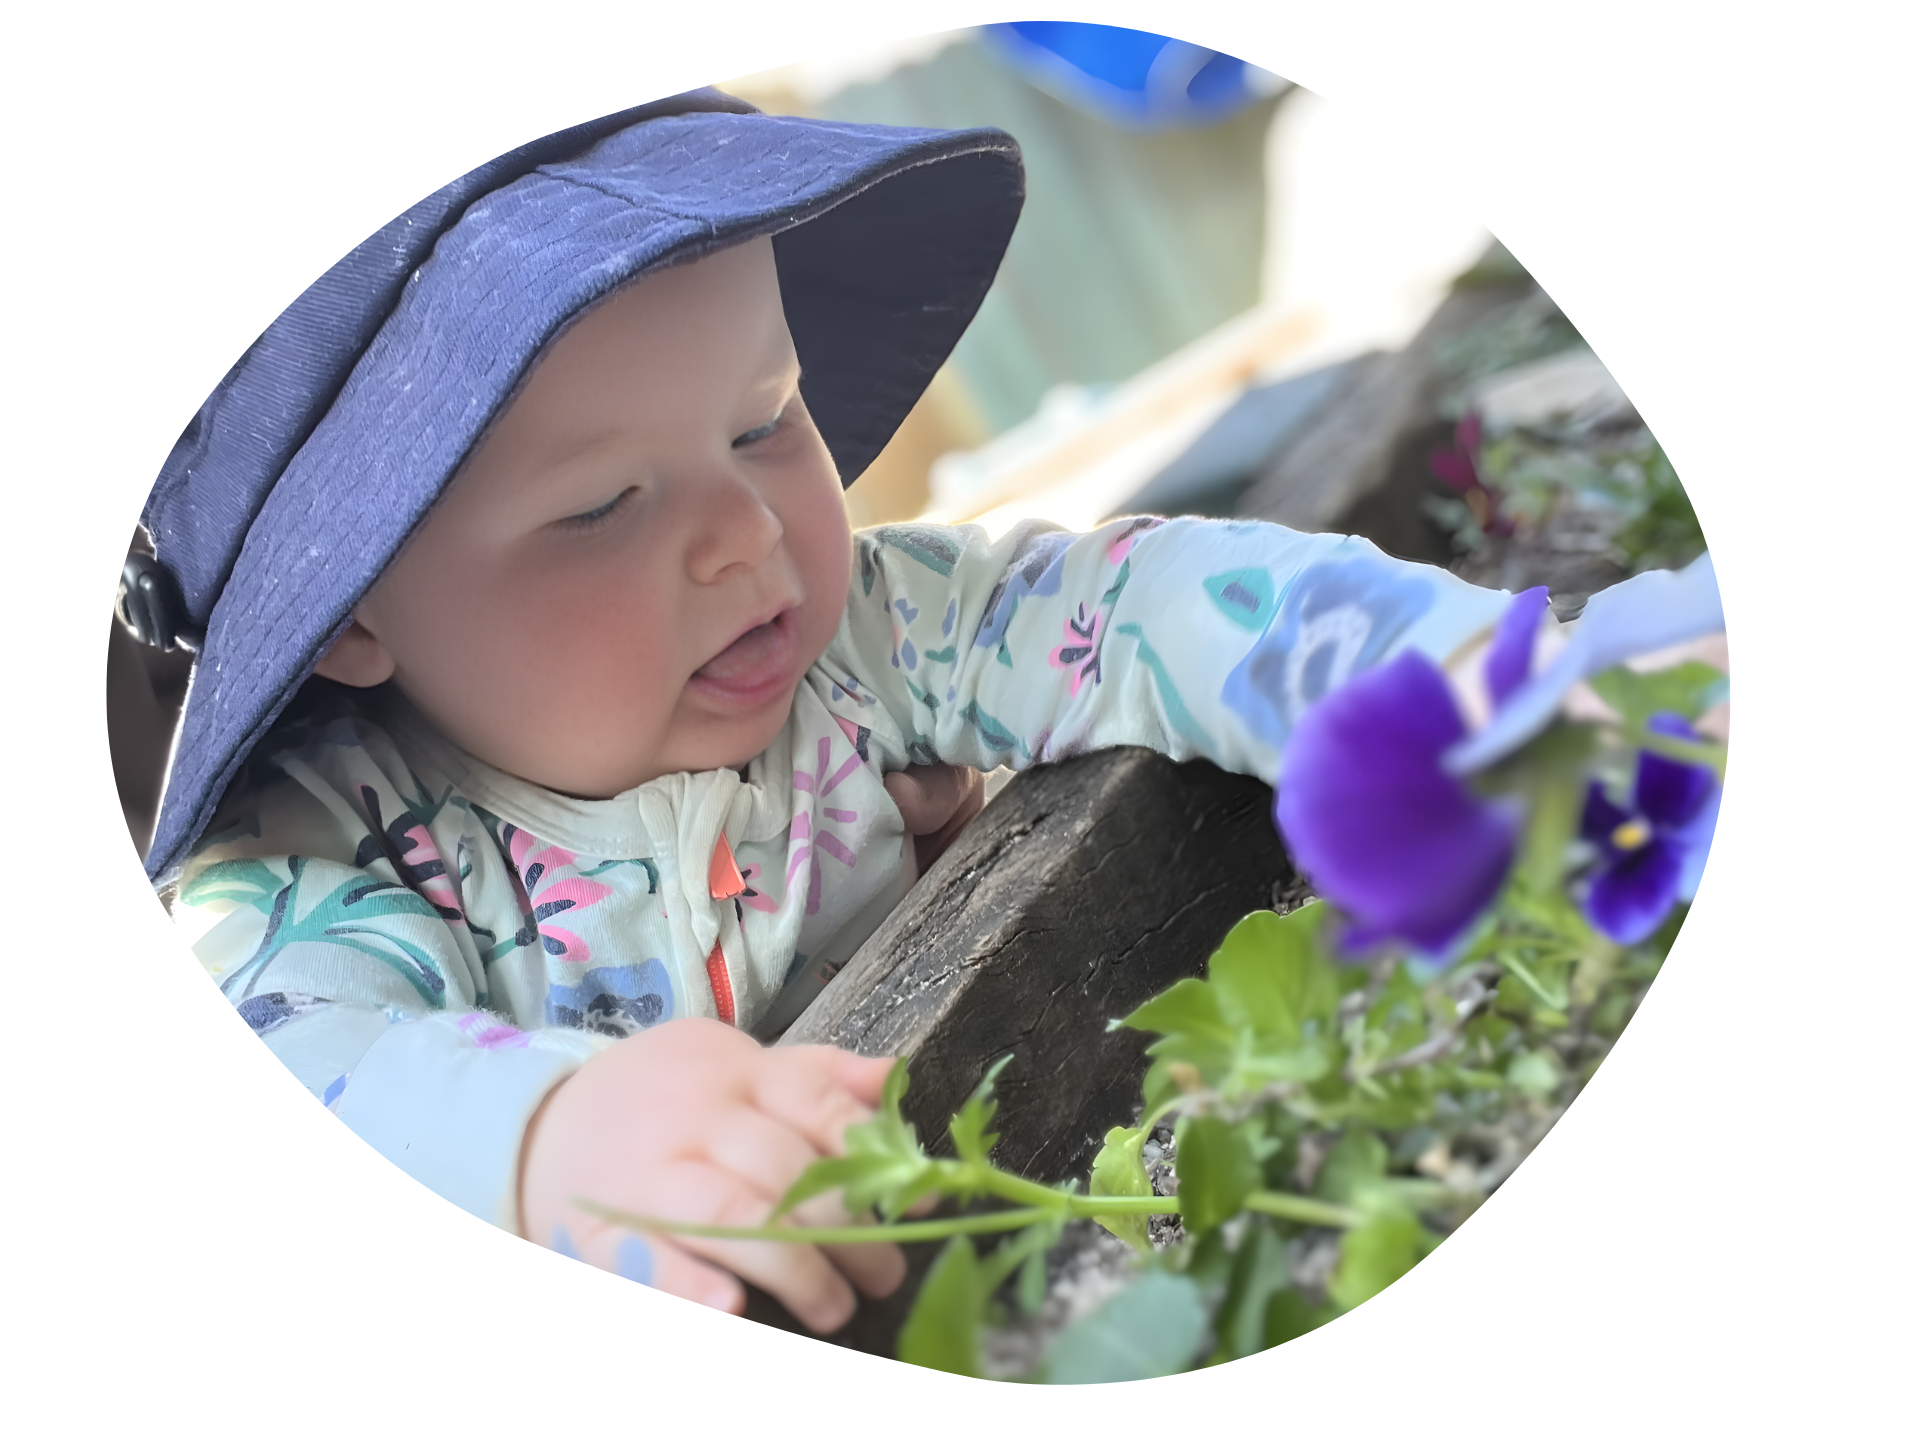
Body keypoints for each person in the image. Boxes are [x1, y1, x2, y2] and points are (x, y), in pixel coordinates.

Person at [135, 91, 1581, 1331]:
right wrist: (539, 1135)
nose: (744, 539)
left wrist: (1445, 681)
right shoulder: (316, 868)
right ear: (355, 618)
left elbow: (1139, 604)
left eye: (766, 419)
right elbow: (322, 1053)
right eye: (599, 506)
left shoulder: (868, 642)